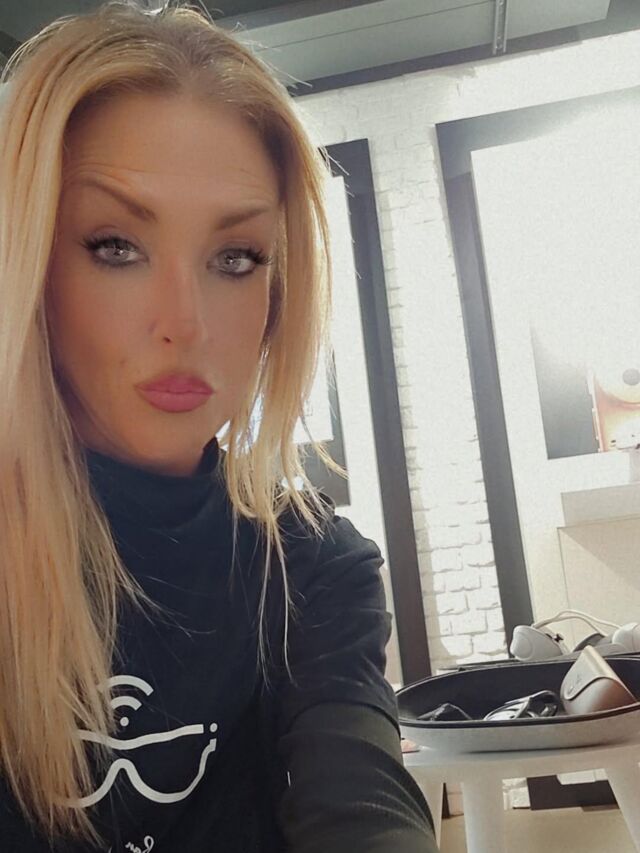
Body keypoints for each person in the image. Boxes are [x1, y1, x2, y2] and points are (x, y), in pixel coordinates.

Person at [0, 2, 438, 851]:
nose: (186, 323)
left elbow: (363, 807)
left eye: (235, 258)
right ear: (26, 264)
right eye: (115, 245)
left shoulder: (312, 566)